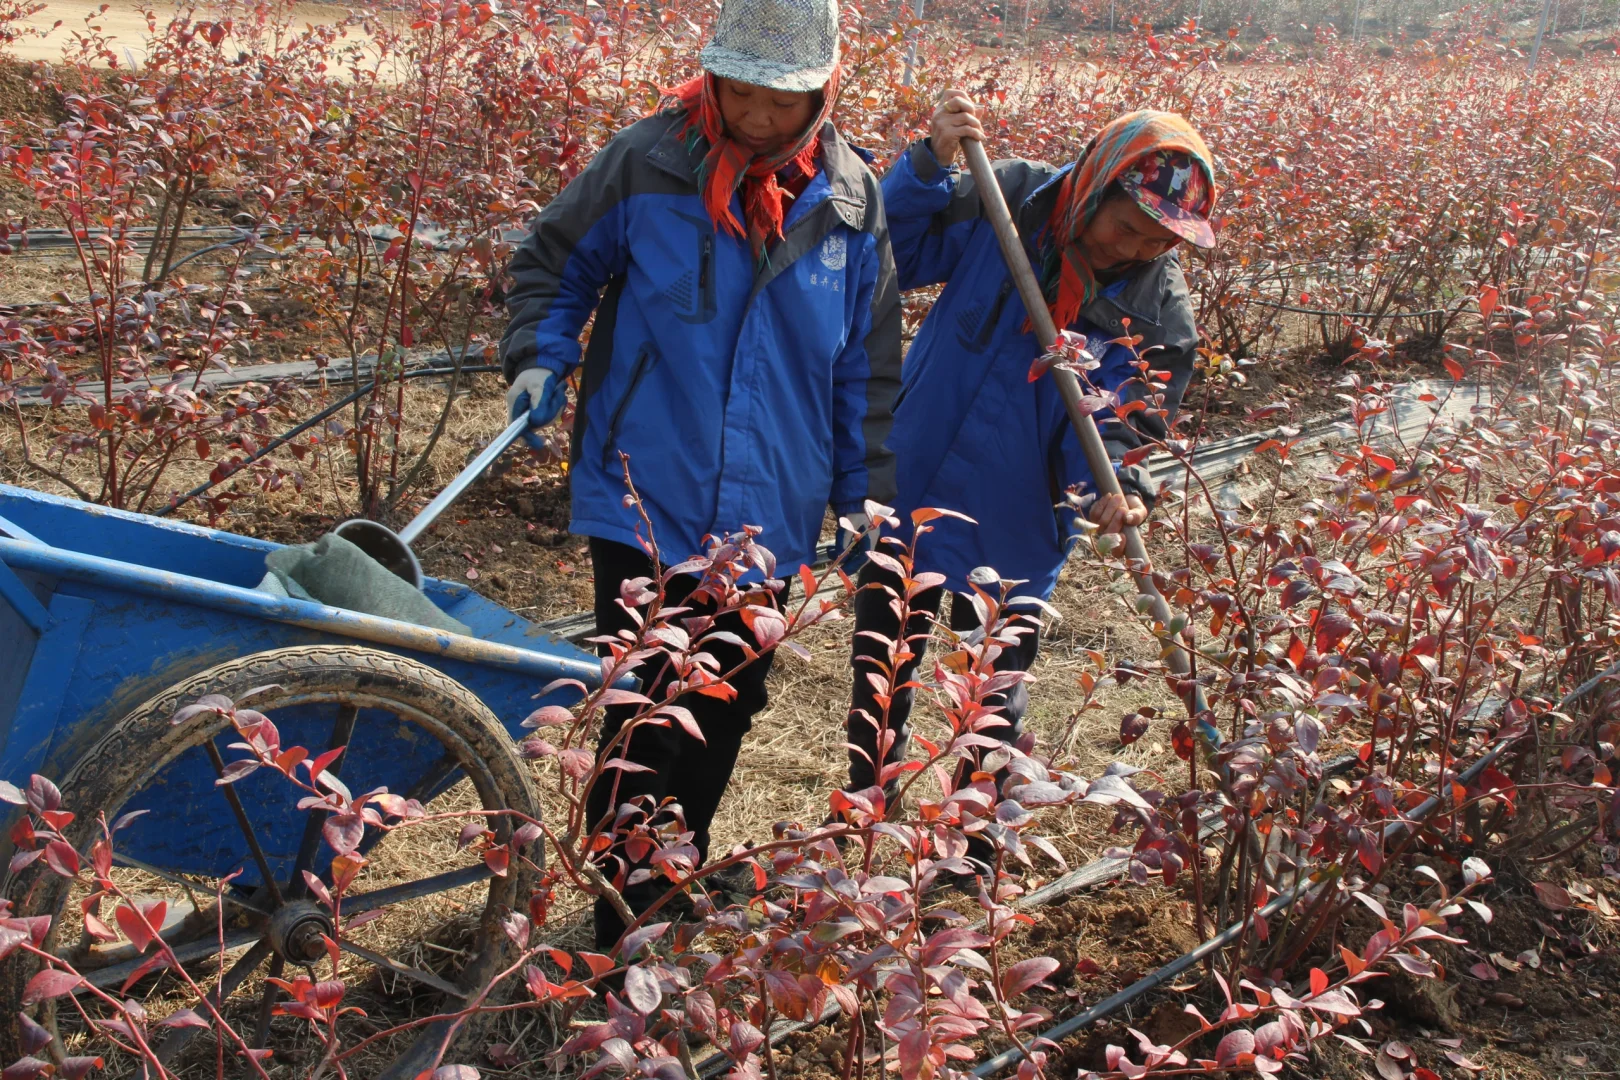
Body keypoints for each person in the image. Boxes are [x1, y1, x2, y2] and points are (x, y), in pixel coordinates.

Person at [499, 0, 901, 948]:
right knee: (645, 697)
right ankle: (617, 907)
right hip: (646, 483)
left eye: (783, 99)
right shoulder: (647, 160)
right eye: (743, 93)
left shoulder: (850, 198)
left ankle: (672, 874)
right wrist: (537, 352)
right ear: (714, 77)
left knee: (729, 695)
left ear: (823, 91)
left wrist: (862, 484)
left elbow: (864, 363)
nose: (758, 117)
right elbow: (556, 264)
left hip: (775, 497)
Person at [843, 93, 1217, 850]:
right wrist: (925, 167)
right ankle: (861, 815)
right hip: (917, 470)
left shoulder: (1157, 311)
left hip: (1020, 507)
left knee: (992, 688)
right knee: (884, 665)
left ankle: (972, 846)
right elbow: (891, 250)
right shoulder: (1006, 195)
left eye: (1157, 242)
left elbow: (1130, 422)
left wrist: (1120, 485)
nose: (1134, 249)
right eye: (1126, 226)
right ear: (1096, 182)